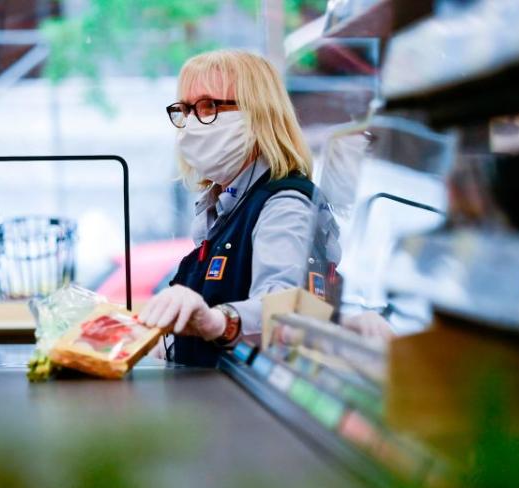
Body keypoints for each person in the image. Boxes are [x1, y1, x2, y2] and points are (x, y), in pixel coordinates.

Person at [139, 50, 388, 366]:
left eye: (208, 106)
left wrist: (219, 321)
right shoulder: (226, 206)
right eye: (185, 110)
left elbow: (282, 311)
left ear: (258, 114)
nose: (190, 124)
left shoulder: (284, 205)